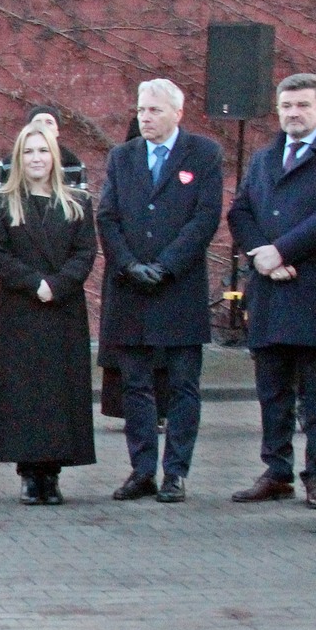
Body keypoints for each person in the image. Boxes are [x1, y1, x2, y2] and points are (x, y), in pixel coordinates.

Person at [225, 73, 316, 510]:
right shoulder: (265, 159)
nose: (293, 114)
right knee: (272, 391)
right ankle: (276, 470)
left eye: (302, 105)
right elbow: (241, 211)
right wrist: (260, 253)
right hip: (269, 291)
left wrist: (282, 252)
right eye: (286, 106)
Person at [97, 78, 224, 504]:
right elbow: (108, 216)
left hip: (180, 288)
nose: (145, 117)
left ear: (176, 113)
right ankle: (142, 470)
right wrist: (129, 264)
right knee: (135, 385)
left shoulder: (203, 154)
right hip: (131, 289)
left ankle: (176, 472)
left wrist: (167, 265)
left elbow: (205, 218)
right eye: (141, 110)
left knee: (183, 386)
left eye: (153, 110)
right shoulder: (122, 157)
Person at [0, 122, 97, 503]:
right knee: (25, 393)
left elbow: (85, 253)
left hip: (64, 310)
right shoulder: (2, 202)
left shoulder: (77, 203)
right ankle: (29, 472)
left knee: (59, 392)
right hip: (21, 310)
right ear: (19, 157)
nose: (36, 158)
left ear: (55, 156)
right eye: (29, 151)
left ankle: (54, 472)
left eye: (43, 151)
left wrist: (58, 284)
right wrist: (35, 283)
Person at [0, 106, 86, 187]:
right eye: (38, 122)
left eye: (49, 122)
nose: (43, 126)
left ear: (57, 131)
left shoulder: (74, 164)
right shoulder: (7, 165)